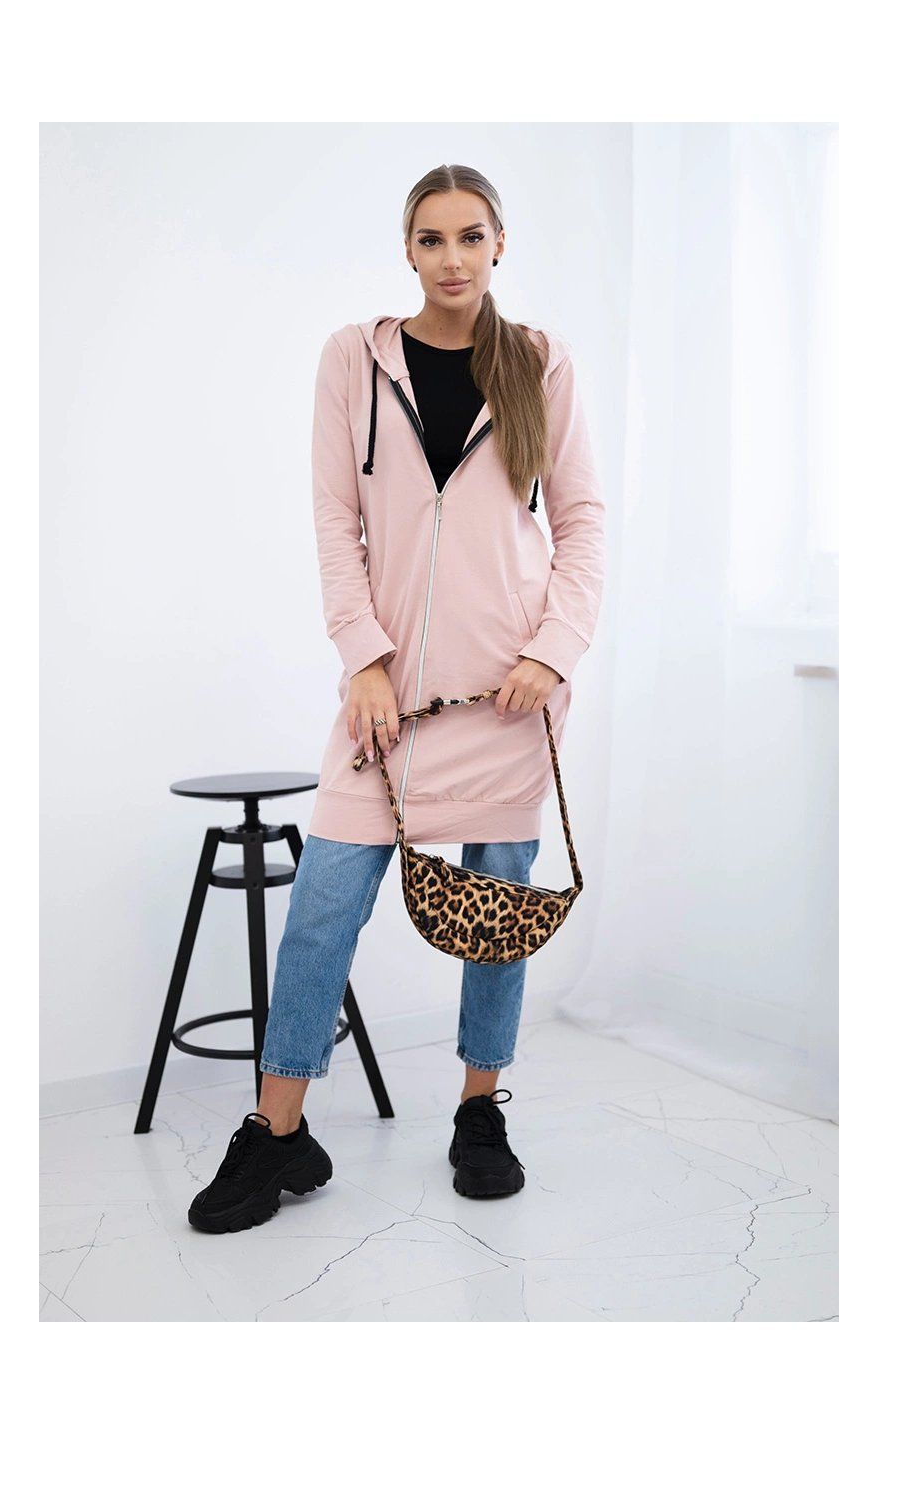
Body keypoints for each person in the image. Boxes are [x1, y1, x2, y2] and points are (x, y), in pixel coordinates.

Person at [188, 163, 606, 1235]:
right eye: (431, 239)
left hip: (506, 694)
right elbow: (335, 521)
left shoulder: (540, 361)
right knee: (323, 911)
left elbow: (581, 524)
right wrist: (362, 657)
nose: (452, 258)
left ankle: (479, 1111)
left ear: (500, 243)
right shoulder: (353, 357)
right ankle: (279, 1132)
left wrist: (554, 653)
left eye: (471, 236)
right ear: (407, 250)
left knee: (496, 918)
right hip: (386, 701)